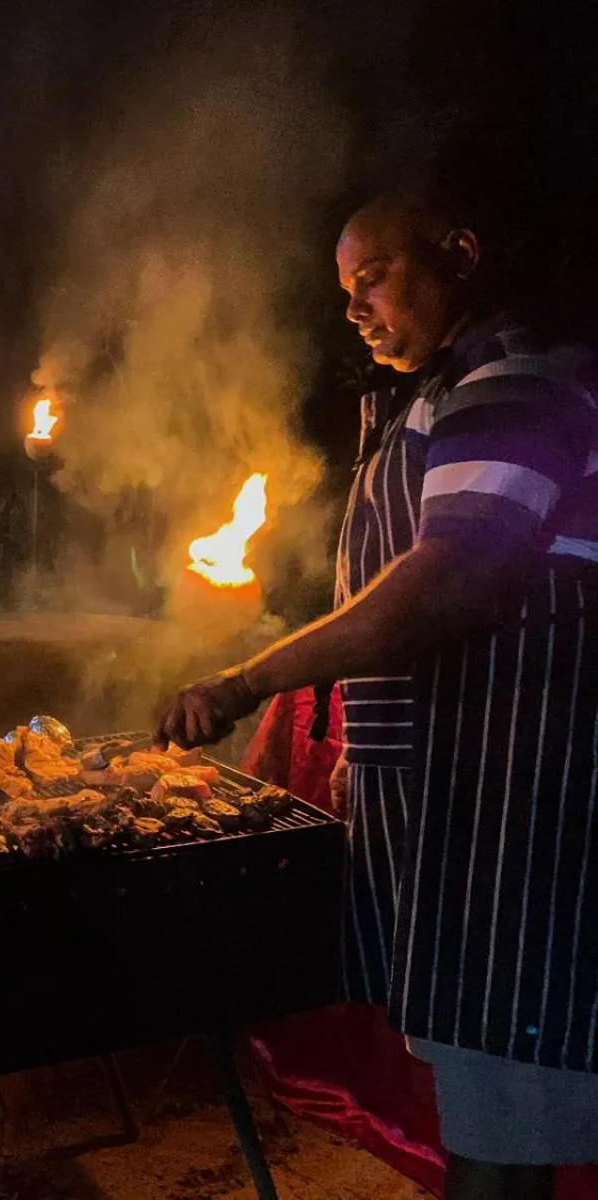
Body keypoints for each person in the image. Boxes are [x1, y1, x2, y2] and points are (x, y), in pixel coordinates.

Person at [155, 181, 598, 1199]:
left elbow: (451, 580)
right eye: (343, 289)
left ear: (460, 251)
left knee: (502, 1129)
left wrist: (242, 680)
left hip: (519, 821)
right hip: (457, 823)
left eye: (375, 275)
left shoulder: (512, 378)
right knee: (480, 1109)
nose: (353, 305)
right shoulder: (435, 397)